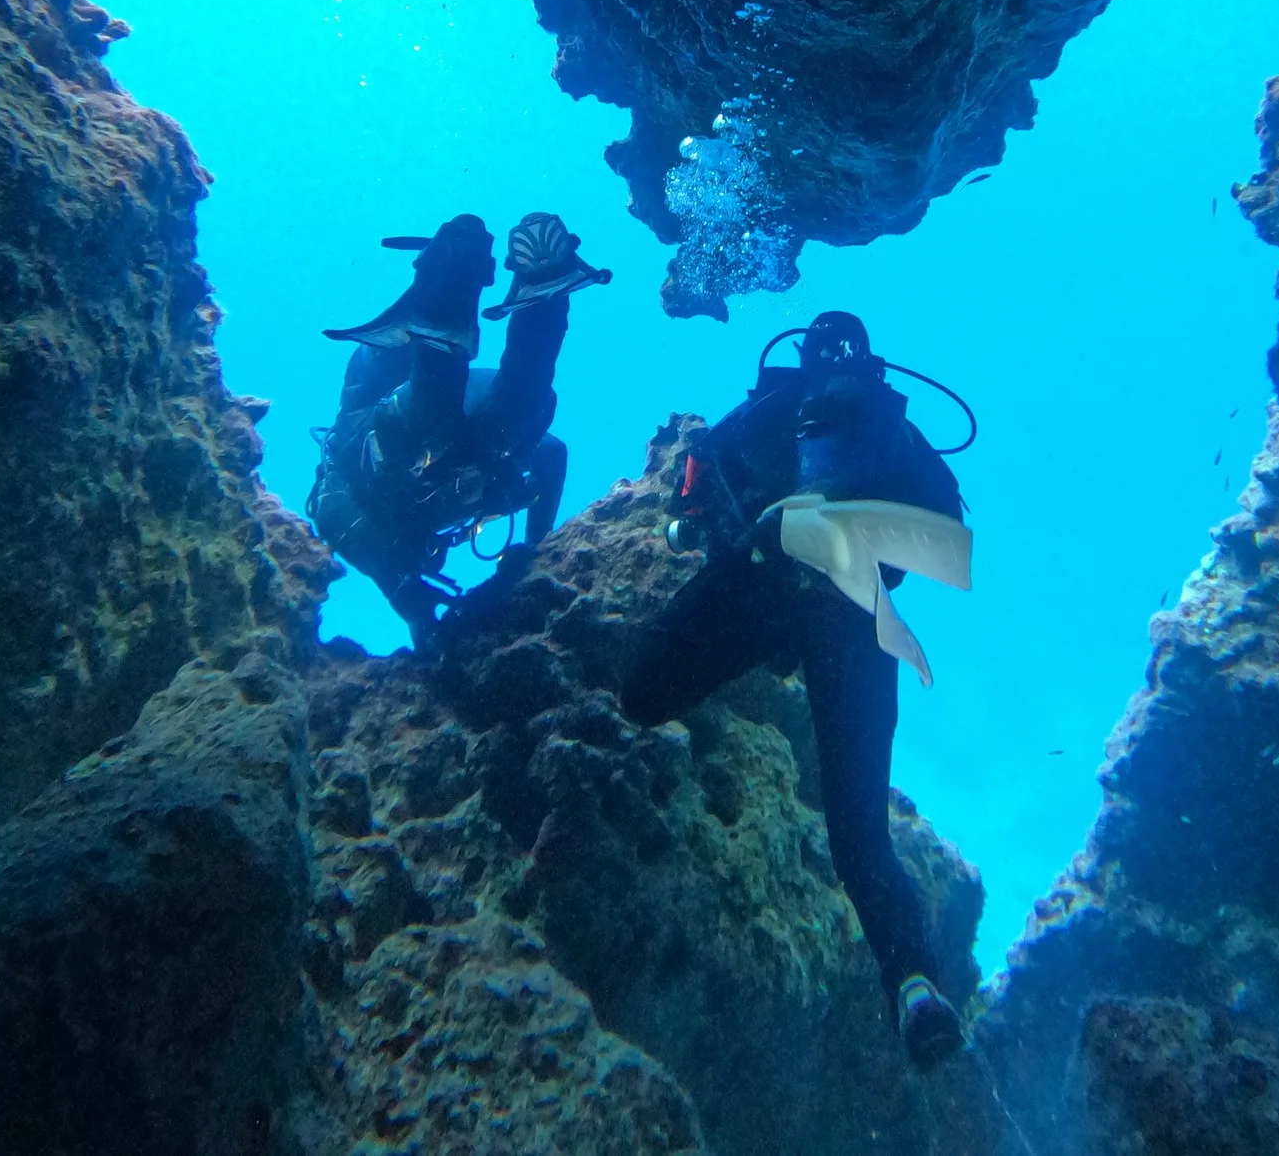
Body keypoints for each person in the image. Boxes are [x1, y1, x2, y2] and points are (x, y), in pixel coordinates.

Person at [621, 311, 973, 1068]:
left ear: (800, 357)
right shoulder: (896, 431)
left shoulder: (775, 404)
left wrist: (708, 528)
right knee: (860, 836)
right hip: (856, 611)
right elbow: (949, 526)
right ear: (874, 366)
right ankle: (913, 981)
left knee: (639, 697)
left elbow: (696, 488)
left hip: (759, 582)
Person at [306, 212, 609, 644]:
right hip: (423, 423)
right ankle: (536, 290)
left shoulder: (363, 510)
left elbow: (331, 514)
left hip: (374, 426)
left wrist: (407, 599)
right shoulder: (449, 498)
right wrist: (535, 550)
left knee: (468, 423)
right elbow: (552, 452)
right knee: (514, 408)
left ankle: (457, 285)